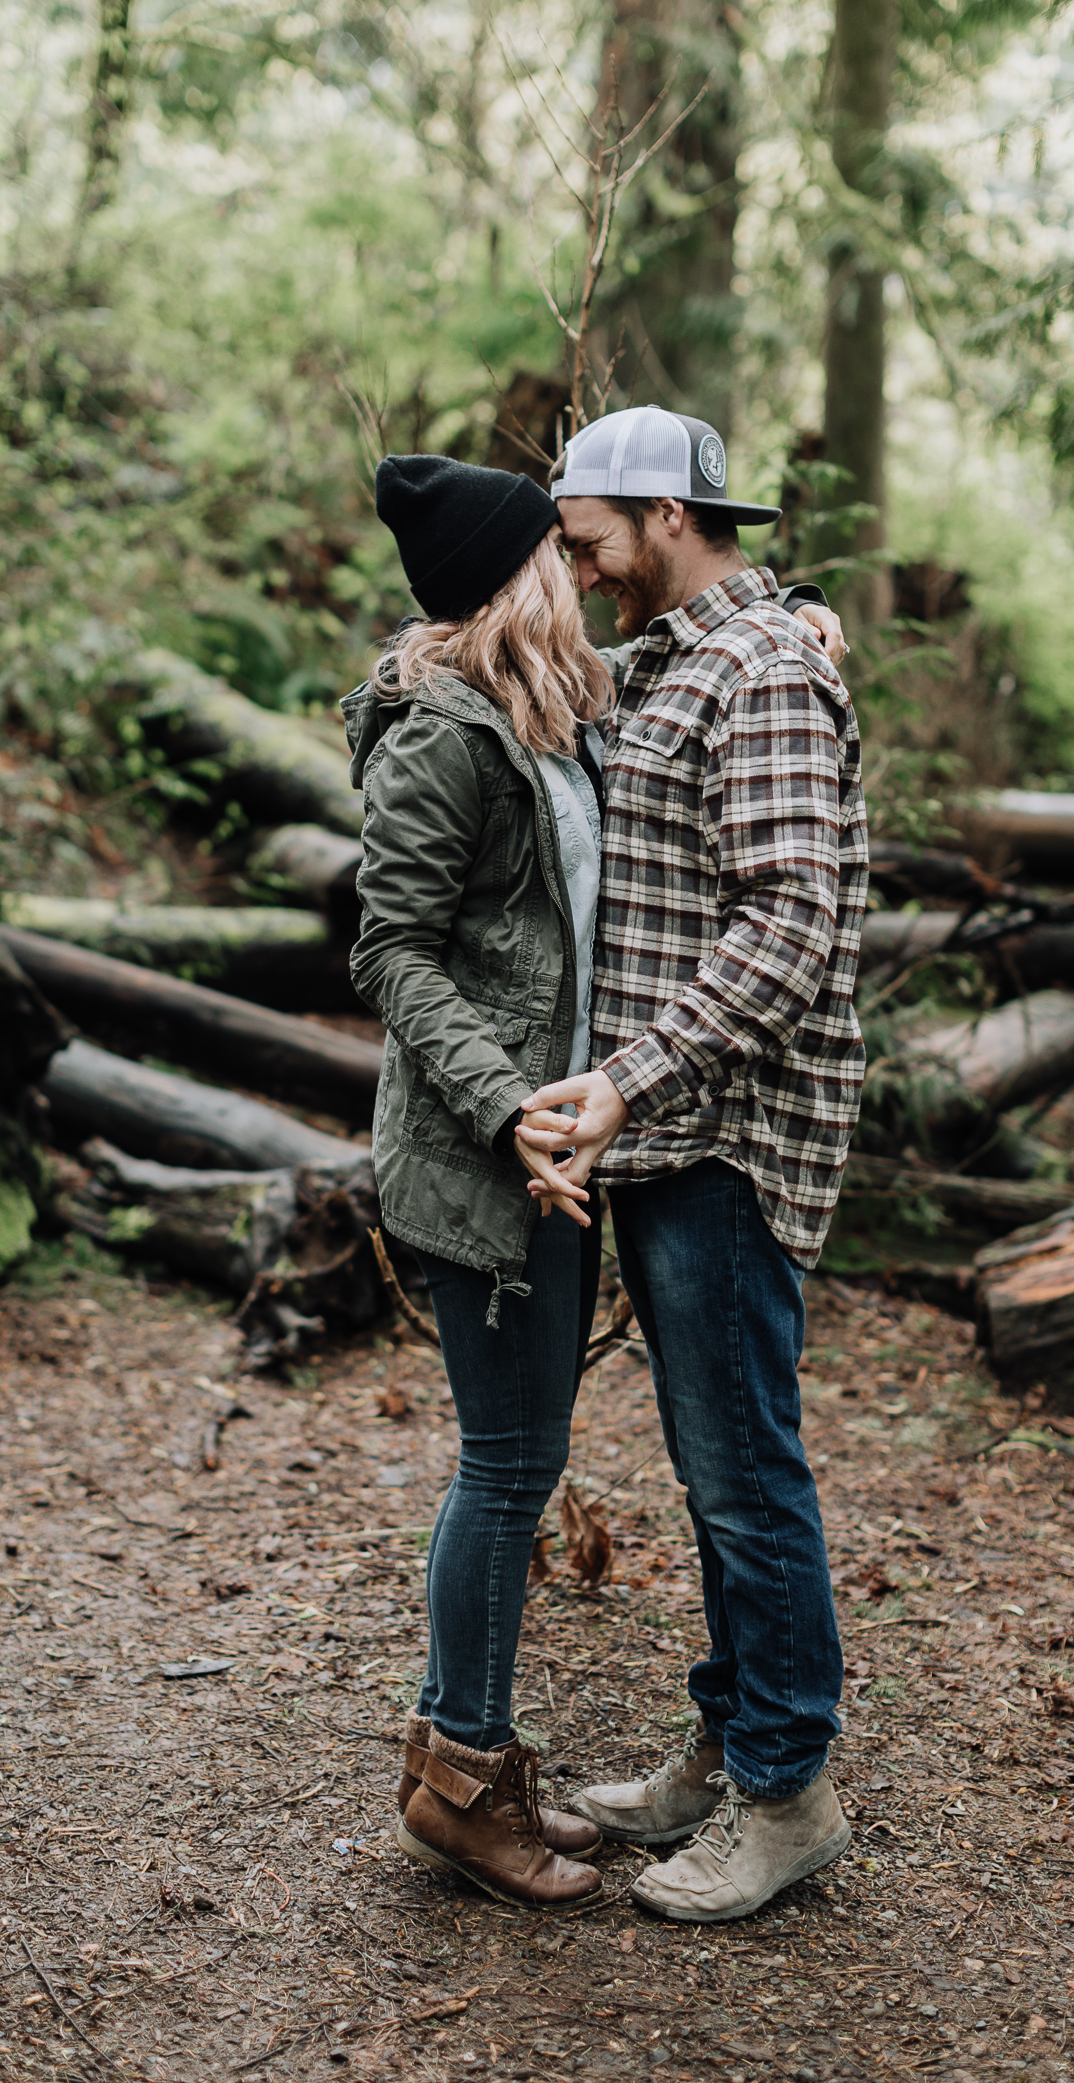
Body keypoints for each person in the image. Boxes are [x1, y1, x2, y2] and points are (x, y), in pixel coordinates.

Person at [343, 447, 845, 1912]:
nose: (582, 567)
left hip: (580, 1152)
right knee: (506, 1469)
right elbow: (390, 951)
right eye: (556, 550)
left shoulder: (566, 704)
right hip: (502, 1156)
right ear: (519, 576)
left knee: (536, 1462)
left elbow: (728, 633)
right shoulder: (448, 727)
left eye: (586, 541)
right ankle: (462, 1781)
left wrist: (801, 608)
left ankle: (505, 1766)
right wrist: (510, 1110)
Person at [515, 405, 869, 1926]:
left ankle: (786, 1795)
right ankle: (729, 1744)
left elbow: (790, 924)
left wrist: (628, 1075)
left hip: (724, 1131)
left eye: (587, 535)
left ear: (662, 511)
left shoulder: (765, 665)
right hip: (665, 1130)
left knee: (744, 1478)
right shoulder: (693, 654)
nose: (577, 568)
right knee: (715, 1463)